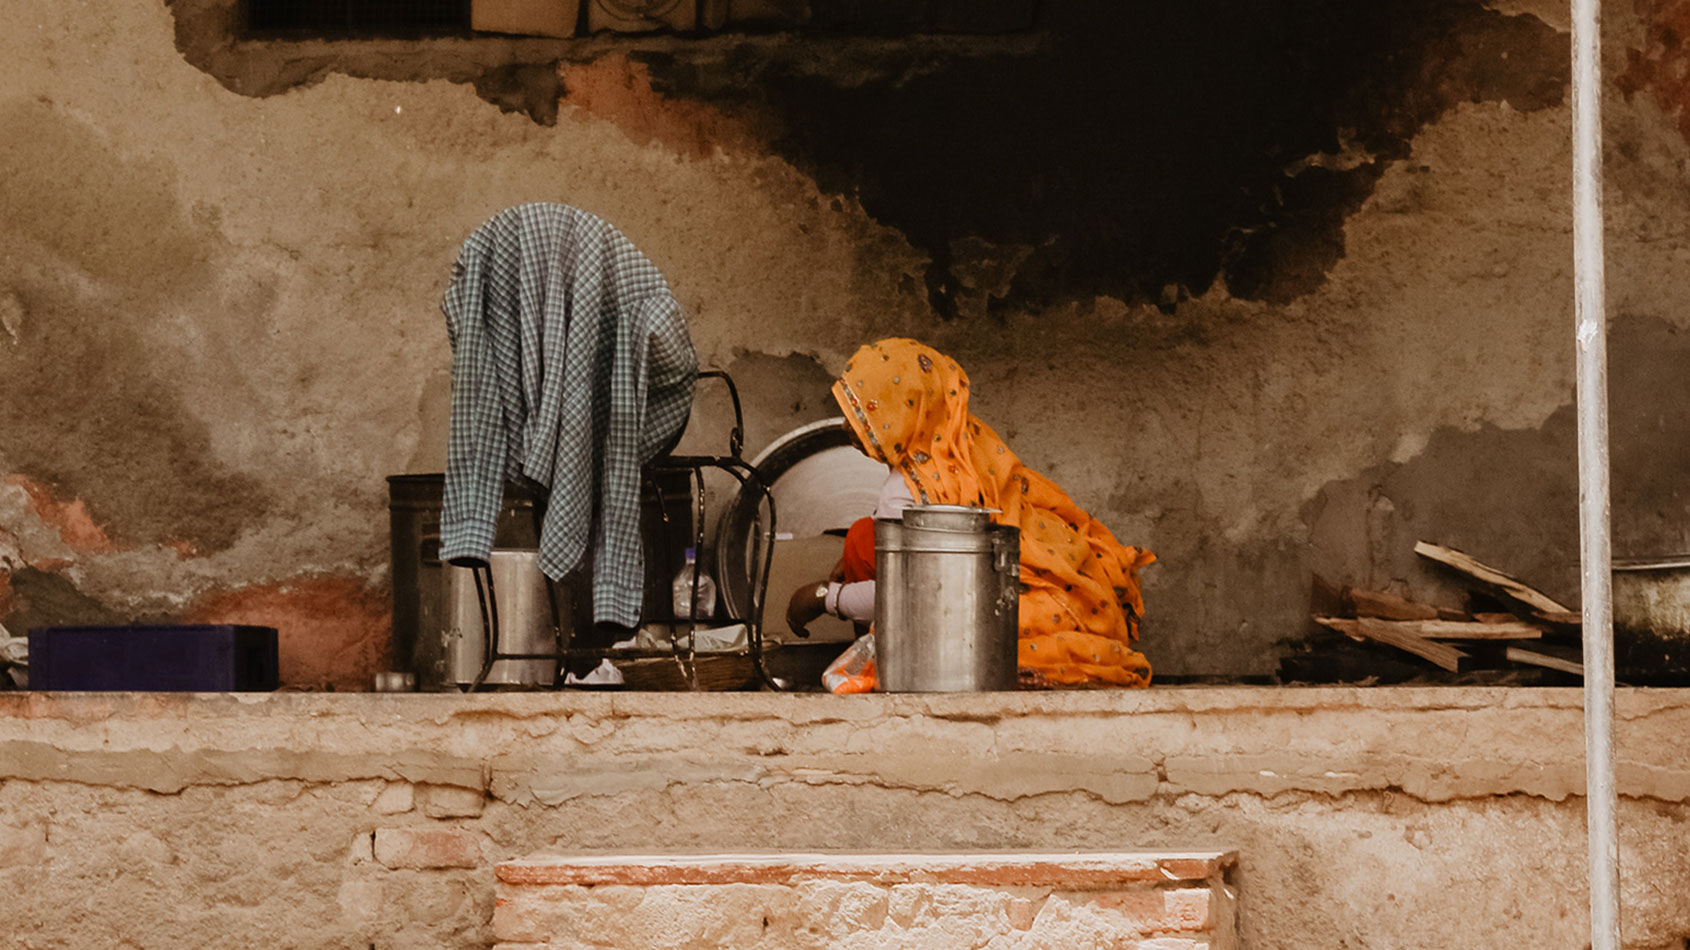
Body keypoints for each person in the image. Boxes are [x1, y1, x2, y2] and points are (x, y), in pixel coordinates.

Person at [787, 338, 1155, 688]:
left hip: (1002, 611)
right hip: (1072, 599)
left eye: (863, 412)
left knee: (880, 556)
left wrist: (823, 597)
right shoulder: (965, 449)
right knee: (865, 536)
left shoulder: (905, 488)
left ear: (901, 413)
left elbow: (910, 593)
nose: (846, 426)